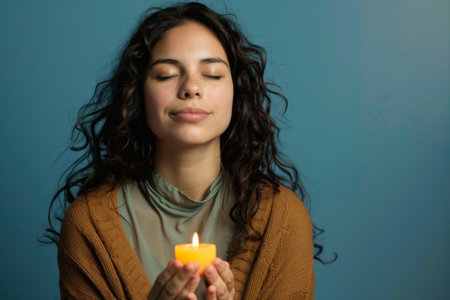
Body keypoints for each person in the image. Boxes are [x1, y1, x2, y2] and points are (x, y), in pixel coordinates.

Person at [44, 2, 322, 299]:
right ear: (136, 94)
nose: (191, 88)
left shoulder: (283, 220)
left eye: (212, 74)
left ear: (236, 93)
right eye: (166, 75)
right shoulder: (89, 226)